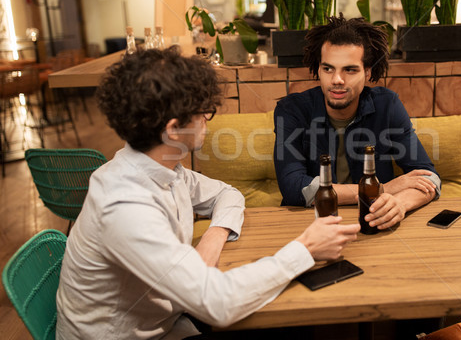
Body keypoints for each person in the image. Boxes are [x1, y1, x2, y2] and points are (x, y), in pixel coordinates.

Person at [55, 46, 360, 340]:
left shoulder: (162, 167)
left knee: (297, 321)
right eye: (204, 113)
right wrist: (305, 248)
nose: (206, 122)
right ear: (174, 130)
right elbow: (218, 304)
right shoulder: (125, 206)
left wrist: (213, 237)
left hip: (169, 320)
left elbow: (227, 194)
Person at [274, 15, 441, 231]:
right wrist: (383, 189)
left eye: (350, 70)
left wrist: (400, 204)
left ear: (368, 72)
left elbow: (430, 178)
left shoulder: (387, 105)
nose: (337, 79)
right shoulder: (292, 110)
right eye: (328, 69)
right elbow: (295, 188)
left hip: (375, 223)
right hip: (309, 226)